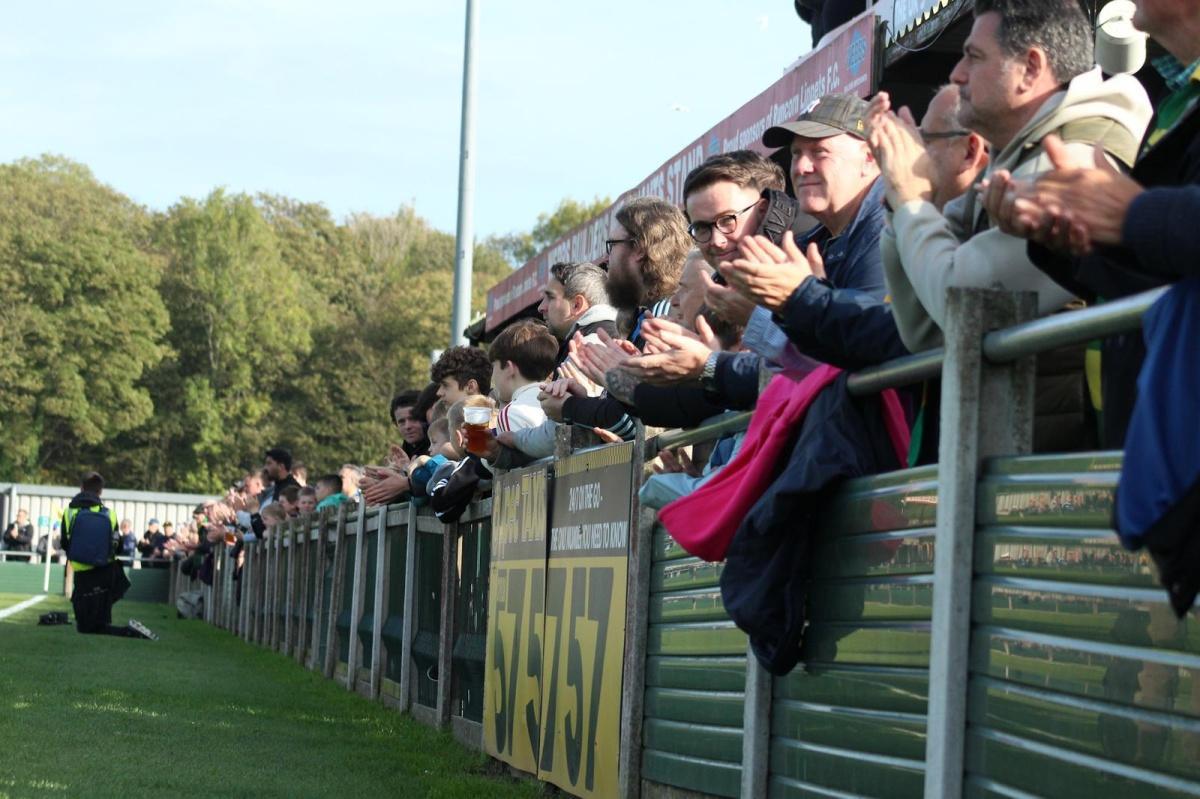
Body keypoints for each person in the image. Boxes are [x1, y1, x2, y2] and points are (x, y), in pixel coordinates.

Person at [980, 0, 1200, 614]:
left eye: (971, 58)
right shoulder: (1179, 93)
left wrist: (1130, 213)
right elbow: (1155, 279)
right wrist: (1064, 238)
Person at [868, 0, 1151, 450]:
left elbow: (961, 301)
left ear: (1030, 68)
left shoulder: (1080, 155)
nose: (957, 74)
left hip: (1068, 480)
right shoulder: (1015, 155)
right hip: (1023, 464)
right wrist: (896, 204)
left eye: (973, 57)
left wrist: (912, 200)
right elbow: (923, 330)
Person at [59, 472, 156, 639]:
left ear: (81, 488)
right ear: (100, 492)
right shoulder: (109, 514)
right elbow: (117, 547)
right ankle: (129, 630)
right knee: (95, 624)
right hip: (106, 572)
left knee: (86, 627)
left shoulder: (69, 512)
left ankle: (130, 631)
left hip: (82, 574)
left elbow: (65, 544)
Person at [538, 261, 618, 367]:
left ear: (577, 305)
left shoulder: (587, 350)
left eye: (551, 297)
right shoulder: (605, 340)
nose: (540, 308)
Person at [390, 389, 430, 459]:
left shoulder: (440, 453)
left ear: (426, 417)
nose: (407, 426)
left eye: (413, 419)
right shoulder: (399, 458)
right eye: (401, 422)